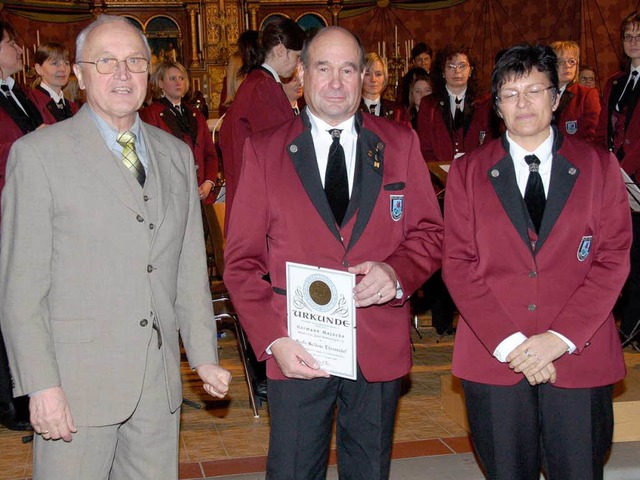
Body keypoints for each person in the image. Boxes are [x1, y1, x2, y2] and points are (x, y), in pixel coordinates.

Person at [0, 15, 230, 479]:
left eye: (135, 62)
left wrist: (203, 354)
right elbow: (20, 287)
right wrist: (40, 385)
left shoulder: (176, 155)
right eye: (106, 62)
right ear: (81, 75)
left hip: (157, 383)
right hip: (75, 384)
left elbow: (186, 266)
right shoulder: (39, 155)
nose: (123, 74)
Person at [224, 26, 444, 480]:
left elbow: (429, 232)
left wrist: (397, 273)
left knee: (368, 470)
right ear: (301, 74)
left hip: (376, 342)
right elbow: (241, 262)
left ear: (364, 76)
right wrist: (274, 340)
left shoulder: (399, 143)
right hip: (298, 347)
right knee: (293, 470)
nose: (336, 82)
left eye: (348, 69)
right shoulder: (265, 151)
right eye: (323, 68)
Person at [443, 44, 631, 480]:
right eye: (510, 94)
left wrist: (559, 338)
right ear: (496, 105)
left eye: (534, 90)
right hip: (494, 356)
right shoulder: (468, 173)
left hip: (577, 354)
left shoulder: (597, 167)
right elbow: (458, 263)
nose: (523, 103)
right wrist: (512, 345)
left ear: (556, 96)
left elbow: (613, 258)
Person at [0, 20, 55, 432]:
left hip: (27, 205)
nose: (19, 49)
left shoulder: (16, 91)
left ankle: (26, 391)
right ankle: (9, 402)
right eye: (10, 43)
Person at [219, 19, 304, 229]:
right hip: (261, 206)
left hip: (252, 199)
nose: (297, 65)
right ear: (281, 50)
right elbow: (284, 150)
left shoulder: (257, 81)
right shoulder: (264, 87)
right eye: (297, 57)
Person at [596, 11, 640, 346]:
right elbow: (603, 131)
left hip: (634, 174)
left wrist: (623, 165)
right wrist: (605, 165)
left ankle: (635, 326)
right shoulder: (614, 82)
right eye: (628, 36)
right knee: (618, 254)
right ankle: (623, 324)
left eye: (639, 35)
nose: (633, 42)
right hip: (616, 178)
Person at [140, 60, 219, 202]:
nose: (179, 82)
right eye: (172, 78)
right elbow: (152, 159)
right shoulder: (150, 114)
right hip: (171, 196)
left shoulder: (195, 113)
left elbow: (210, 153)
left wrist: (208, 182)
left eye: (181, 78)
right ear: (160, 83)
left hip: (201, 192)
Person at [416, 43, 493, 163]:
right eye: (451, 66)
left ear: (471, 70)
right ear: (442, 71)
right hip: (438, 174)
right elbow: (424, 147)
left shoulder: (485, 102)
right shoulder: (428, 104)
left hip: (476, 172)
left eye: (462, 65)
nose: (457, 71)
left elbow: (490, 143)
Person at [550, 41, 601, 141]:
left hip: (577, 153)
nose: (567, 65)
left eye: (571, 61)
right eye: (560, 61)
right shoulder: (541, 93)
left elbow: (593, 134)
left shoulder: (587, 94)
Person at [31, 42, 79, 122]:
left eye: (66, 63)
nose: (63, 69)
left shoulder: (72, 107)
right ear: (39, 69)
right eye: (55, 63)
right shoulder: (32, 103)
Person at [359, 52, 409, 125]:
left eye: (378, 74)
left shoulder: (398, 111)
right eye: (367, 74)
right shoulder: (352, 111)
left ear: (384, 78)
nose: (373, 79)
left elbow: (407, 135)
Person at [397, 42, 433, 106]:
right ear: (414, 62)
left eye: (426, 59)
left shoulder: (436, 78)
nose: (423, 63)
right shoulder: (406, 79)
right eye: (420, 60)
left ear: (431, 60)